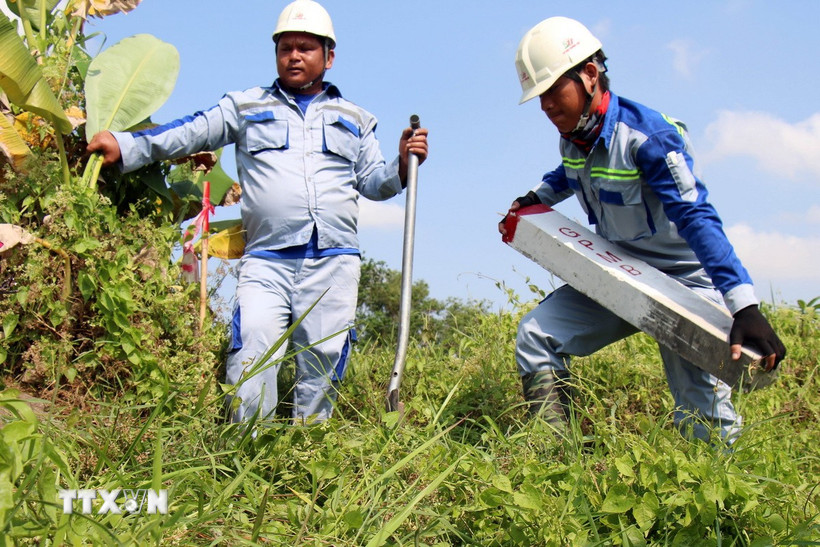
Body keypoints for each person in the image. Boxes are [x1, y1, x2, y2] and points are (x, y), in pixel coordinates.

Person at [87, 0, 429, 424]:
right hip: (266, 260)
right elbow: (189, 131)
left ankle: (309, 453)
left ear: (329, 56)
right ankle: (245, 453)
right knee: (252, 348)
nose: (295, 56)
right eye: (286, 48)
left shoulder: (357, 118)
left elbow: (374, 184)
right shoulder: (244, 106)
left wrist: (401, 164)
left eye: (306, 48)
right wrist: (129, 145)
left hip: (334, 260)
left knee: (324, 359)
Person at [498, 16, 785, 443]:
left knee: (700, 409)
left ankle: (728, 497)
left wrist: (743, 306)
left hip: (684, 281)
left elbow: (696, 217)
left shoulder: (648, 139)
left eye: (554, 90)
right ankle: (560, 461)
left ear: (590, 75)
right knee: (536, 337)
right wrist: (534, 196)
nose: (546, 106)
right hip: (621, 268)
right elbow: (570, 172)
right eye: (539, 96)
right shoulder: (573, 136)